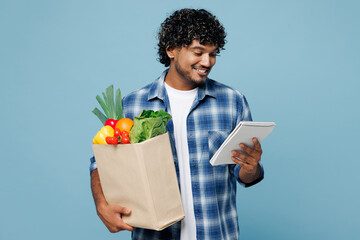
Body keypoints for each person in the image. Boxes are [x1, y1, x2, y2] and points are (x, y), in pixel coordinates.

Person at [90, 8, 264, 240]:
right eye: (198, 52)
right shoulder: (134, 104)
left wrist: (251, 169)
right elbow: (101, 162)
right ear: (171, 49)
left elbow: (243, 174)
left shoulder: (232, 101)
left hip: (216, 233)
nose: (207, 62)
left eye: (213, 54)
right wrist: (101, 204)